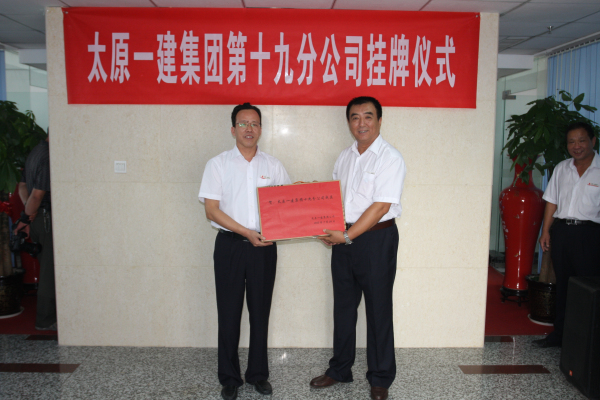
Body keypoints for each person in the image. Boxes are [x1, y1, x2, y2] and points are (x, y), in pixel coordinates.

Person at [310, 97, 406, 400]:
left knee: (378, 309)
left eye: (368, 116)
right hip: (344, 239)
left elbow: (380, 207)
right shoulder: (345, 156)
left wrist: (347, 235)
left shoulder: (390, 158)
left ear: (379, 120)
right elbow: (334, 200)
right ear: (349, 122)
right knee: (343, 307)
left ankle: (380, 377)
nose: (361, 123)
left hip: (376, 240)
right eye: (354, 117)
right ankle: (340, 369)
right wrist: (324, 226)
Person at [198, 103, 291, 400]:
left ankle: (258, 374)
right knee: (228, 313)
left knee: (260, 313)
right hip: (230, 247)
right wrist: (245, 232)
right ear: (233, 129)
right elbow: (212, 211)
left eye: (254, 124)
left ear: (261, 129)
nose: (249, 128)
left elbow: (288, 206)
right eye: (243, 123)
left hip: (264, 247)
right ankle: (229, 377)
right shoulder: (217, 164)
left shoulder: (273, 166)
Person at [535, 121, 600, 348]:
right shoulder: (562, 168)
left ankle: (584, 340)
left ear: (593, 141)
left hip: (590, 234)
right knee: (563, 284)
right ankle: (560, 335)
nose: (577, 146)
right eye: (571, 142)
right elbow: (552, 201)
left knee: (588, 287)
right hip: (562, 232)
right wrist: (545, 231)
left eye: (582, 140)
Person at [14, 133, 56, 331]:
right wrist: (27, 216)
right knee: (49, 272)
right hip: (45, 219)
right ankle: (45, 320)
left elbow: (23, 186)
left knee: (47, 268)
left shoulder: (35, 152)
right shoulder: (48, 156)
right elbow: (38, 195)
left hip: (37, 219)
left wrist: (28, 214)